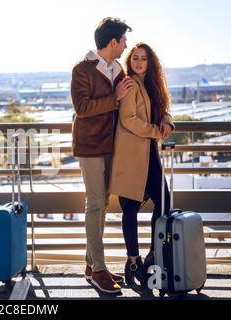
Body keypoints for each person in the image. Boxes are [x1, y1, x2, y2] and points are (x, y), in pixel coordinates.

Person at [71, 17, 133, 293]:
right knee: (95, 204)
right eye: (123, 41)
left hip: (112, 147)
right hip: (90, 146)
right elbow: (82, 108)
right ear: (112, 42)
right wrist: (115, 98)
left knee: (102, 205)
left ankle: (90, 264)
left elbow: (136, 97)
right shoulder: (82, 69)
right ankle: (98, 269)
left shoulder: (118, 69)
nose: (125, 45)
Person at [109, 42, 175, 286]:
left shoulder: (152, 85)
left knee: (164, 203)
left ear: (150, 63)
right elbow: (128, 119)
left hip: (149, 154)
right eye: (134, 57)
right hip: (131, 155)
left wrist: (167, 120)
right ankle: (133, 261)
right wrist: (156, 132)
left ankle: (152, 254)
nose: (138, 62)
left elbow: (162, 109)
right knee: (130, 208)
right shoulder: (128, 83)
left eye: (143, 58)